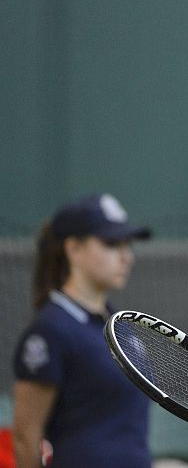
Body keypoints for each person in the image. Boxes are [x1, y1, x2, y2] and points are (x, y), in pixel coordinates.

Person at [11, 193, 152, 468]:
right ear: (73, 248)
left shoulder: (121, 327)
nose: (126, 257)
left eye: (128, 245)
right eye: (112, 243)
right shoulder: (50, 330)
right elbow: (25, 437)